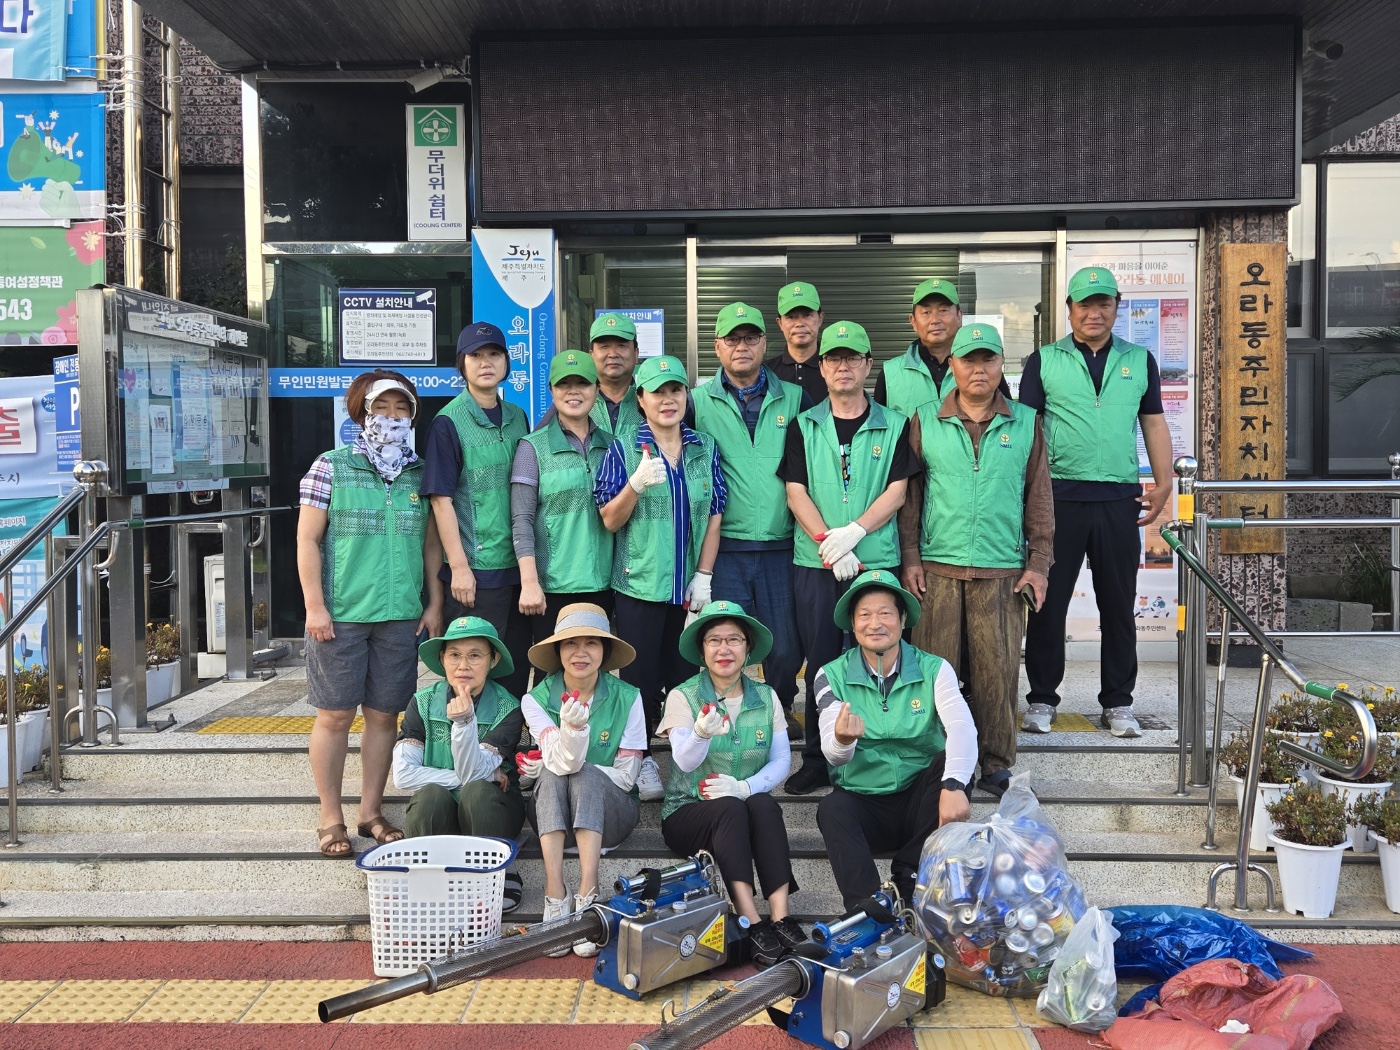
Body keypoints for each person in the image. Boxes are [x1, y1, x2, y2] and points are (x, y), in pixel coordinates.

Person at [897, 324, 1053, 798]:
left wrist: (1039, 562)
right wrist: (910, 557)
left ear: (1000, 364)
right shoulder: (925, 418)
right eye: (968, 360)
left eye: (987, 360)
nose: (978, 369)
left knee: (998, 673)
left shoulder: (1026, 422)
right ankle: (940, 764)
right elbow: (911, 497)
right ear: (954, 367)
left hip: (1001, 570)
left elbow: (1039, 498)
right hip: (937, 568)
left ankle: (995, 763)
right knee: (935, 672)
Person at [1018, 267, 1174, 738]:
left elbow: (1153, 422)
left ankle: (1119, 702)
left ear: (1116, 306)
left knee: (1118, 605)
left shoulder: (1139, 359)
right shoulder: (1043, 360)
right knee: (1048, 604)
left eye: (1103, 303)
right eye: (1084, 304)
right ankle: (1043, 698)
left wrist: (1165, 483)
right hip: (1059, 498)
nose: (1093, 312)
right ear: (1069, 310)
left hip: (1117, 499)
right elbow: (1027, 429)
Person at [297, 370, 443, 857]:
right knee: (335, 716)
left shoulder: (419, 473)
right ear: (361, 412)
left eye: (402, 410)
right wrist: (315, 605)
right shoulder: (331, 467)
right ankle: (330, 817)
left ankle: (371, 812)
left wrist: (433, 601)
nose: (393, 418)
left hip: (400, 613)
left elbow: (430, 545)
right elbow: (307, 540)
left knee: (385, 716)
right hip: (340, 614)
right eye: (383, 409)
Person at [777, 321, 920, 795]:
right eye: (834, 358)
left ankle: (879, 753)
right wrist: (827, 541)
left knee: (878, 655)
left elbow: (898, 490)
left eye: (852, 358)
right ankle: (819, 759)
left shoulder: (895, 423)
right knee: (820, 660)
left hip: (876, 559)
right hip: (815, 562)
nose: (842, 366)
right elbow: (795, 490)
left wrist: (855, 532)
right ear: (821, 366)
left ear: (868, 366)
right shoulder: (804, 423)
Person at [596, 354, 727, 801]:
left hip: (687, 588)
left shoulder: (703, 447)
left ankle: (688, 760)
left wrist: (704, 575)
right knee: (639, 680)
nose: (668, 400)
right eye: (658, 392)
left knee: (686, 677)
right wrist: (634, 484)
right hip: (639, 586)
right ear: (641, 399)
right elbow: (609, 520)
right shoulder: (622, 448)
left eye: (675, 390)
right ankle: (643, 760)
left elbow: (714, 514)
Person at [813, 570, 978, 909]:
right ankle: (868, 908)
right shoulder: (829, 674)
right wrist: (843, 739)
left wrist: (953, 786)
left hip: (922, 804)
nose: (875, 623)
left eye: (885, 613)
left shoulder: (935, 668)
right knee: (832, 808)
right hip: (865, 799)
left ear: (902, 619)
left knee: (954, 764)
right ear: (852, 623)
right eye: (865, 615)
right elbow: (834, 755)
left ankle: (910, 872)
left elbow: (963, 727)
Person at [658, 600, 806, 967]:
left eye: (734, 640)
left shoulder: (767, 696)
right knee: (729, 808)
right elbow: (684, 760)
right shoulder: (683, 696)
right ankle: (751, 920)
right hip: (689, 813)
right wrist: (700, 733)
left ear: (748, 647)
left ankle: (781, 917)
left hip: (743, 810)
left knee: (763, 803)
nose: (724, 649)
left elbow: (782, 761)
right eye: (714, 640)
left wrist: (745, 787)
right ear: (701, 649)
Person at [694, 302, 807, 734]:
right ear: (717, 347)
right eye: (732, 339)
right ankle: (728, 715)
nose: (742, 347)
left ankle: (778, 711)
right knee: (725, 640)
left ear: (764, 343)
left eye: (750, 338)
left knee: (783, 645)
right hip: (724, 548)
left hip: (782, 544)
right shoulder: (697, 401)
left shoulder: (795, 397)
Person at [520, 604, 646, 956]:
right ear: (557, 650)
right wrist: (572, 731)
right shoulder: (535, 699)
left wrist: (576, 747)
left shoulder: (629, 697)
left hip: (613, 816)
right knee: (555, 769)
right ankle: (555, 891)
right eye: (570, 643)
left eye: (592, 643)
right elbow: (560, 761)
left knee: (583, 772)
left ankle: (588, 892)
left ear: (605, 651)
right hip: (552, 815)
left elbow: (626, 777)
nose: (581, 652)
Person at [421, 321, 532, 698]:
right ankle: (468, 748)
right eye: (476, 356)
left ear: (506, 362)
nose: (486, 363)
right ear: (462, 365)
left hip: (519, 566)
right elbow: (441, 500)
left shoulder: (518, 416)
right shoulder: (447, 423)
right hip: (476, 574)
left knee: (515, 664)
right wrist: (460, 568)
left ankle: (505, 747)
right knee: (473, 668)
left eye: (494, 354)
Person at [393, 616, 527, 912]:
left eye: (475, 655)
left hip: (492, 812)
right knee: (429, 796)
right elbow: (403, 776)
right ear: (442, 659)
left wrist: (465, 722)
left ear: (493, 661)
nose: (463, 665)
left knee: (477, 791)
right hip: (441, 811)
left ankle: (497, 872)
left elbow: (472, 777)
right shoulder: (422, 702)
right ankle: (425, 877)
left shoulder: (509, 708)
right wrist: (469, 776)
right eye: (454, 655)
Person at [512, 350, 616, 637]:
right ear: (551, 390)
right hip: (551, 588)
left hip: (605, 585)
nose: (573, 392)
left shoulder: (613, 446)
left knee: (595, 671)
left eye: (582, 384)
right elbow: (521, 520)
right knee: (553, 675)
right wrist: (529, 582)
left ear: (596, 388)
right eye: (563, 384)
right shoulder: (532, 447)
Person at [875, 278, 1012, 415]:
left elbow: (1007, 420)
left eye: (943, 310)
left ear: (959, 316)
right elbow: (878, 430)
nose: (935, 320)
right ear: (913, 321)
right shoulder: (890, 373)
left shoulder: (985, 372)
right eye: (926, 312)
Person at [767, 281, 828, 404]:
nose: (800, 323)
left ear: (820, 318)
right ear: (780, 323)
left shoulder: (835, 369)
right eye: (791, 317)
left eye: (807, 315)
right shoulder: (766, 373)